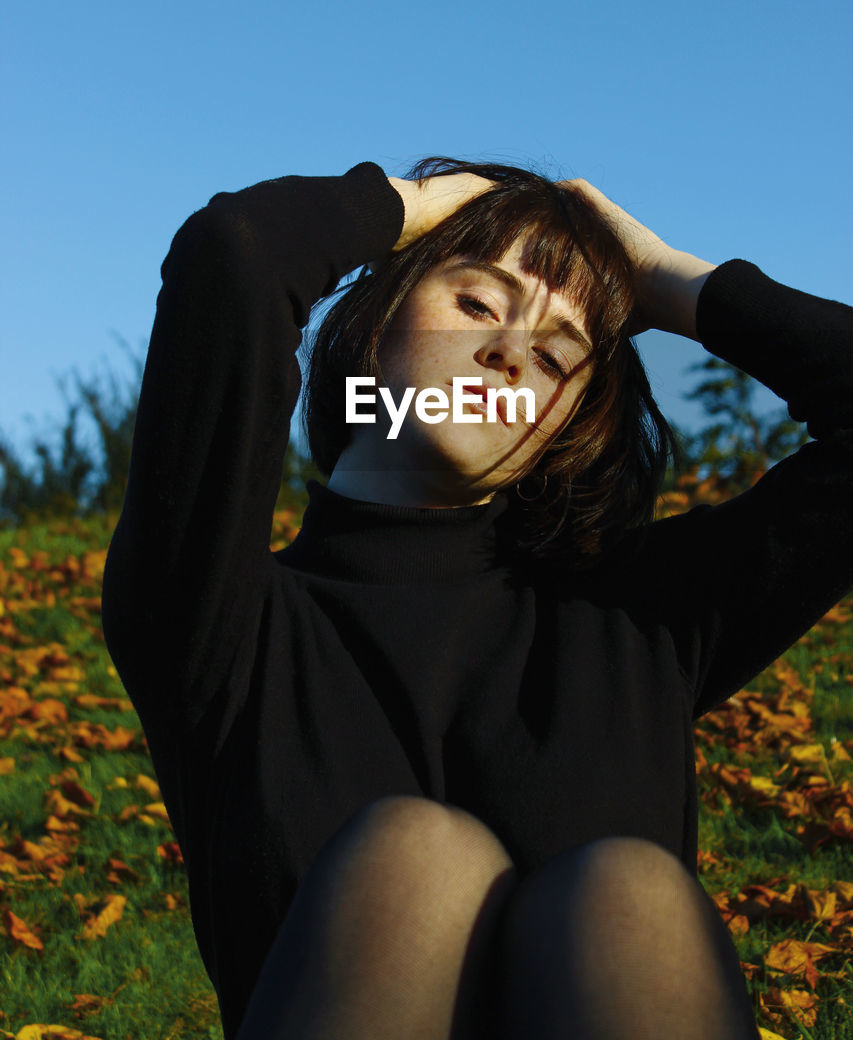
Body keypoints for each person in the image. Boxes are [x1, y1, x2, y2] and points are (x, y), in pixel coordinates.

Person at [101, 158, 853, 1040]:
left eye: (552, 355)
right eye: (476, 304)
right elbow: (236, 256)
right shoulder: (222, 621)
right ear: (376, 325)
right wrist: (406, 208)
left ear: (567, 427)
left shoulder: (638, 617)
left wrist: (667, 280)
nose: (505, 355)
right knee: (417, 861)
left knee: (625, 892)